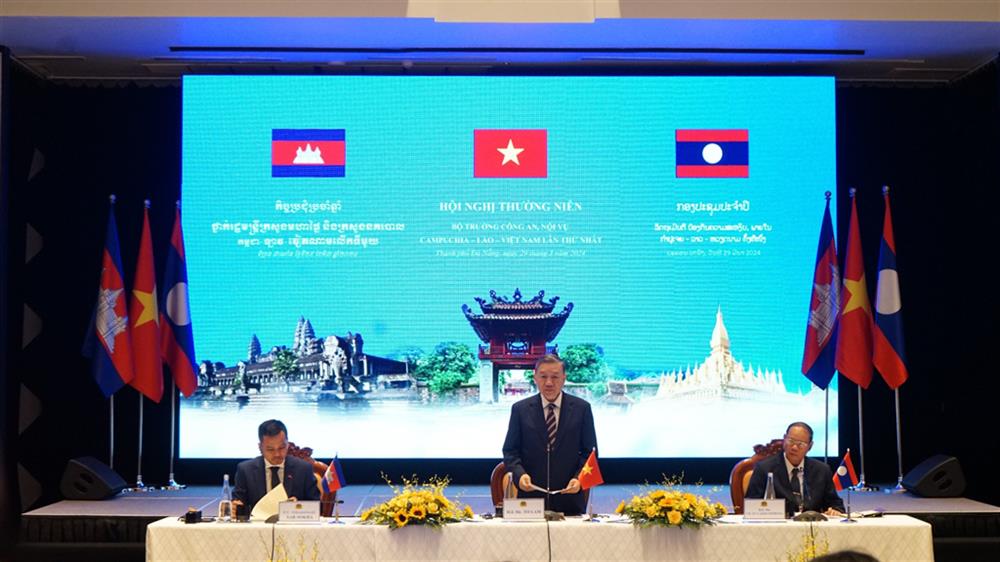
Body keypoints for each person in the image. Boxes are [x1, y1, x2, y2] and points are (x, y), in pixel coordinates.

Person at [502, 354, 598, 515]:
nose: (549, 383)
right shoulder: (520, 409)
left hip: (569, 499)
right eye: (543, 377)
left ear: (564, 378)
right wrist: (520, 475)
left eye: (555, 377)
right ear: (535, 378)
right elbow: (510, 451)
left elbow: (590, 453)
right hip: (530, 501)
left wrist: (579, 479)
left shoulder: (582, 409)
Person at [745, 421, 846, 516]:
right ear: (784, 439)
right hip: (778, 525)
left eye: (800, 444)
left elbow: (836, 505)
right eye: (791, 441)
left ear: (810, 446)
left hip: (811, 525)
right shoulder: (764, 469)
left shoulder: (822, 470)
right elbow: (751, 506)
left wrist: (834, 511)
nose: (794, 447)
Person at [232, 419, 321, 512]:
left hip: (292, 521)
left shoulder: (303, 469)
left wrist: (298, 506)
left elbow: (316, 506)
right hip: (258, 521)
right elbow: (238, 504)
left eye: (282, 447)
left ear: (287, 444)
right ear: (260, 447)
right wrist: (235, 507)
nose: (277, 454)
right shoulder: (245, 470)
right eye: (270, 449)